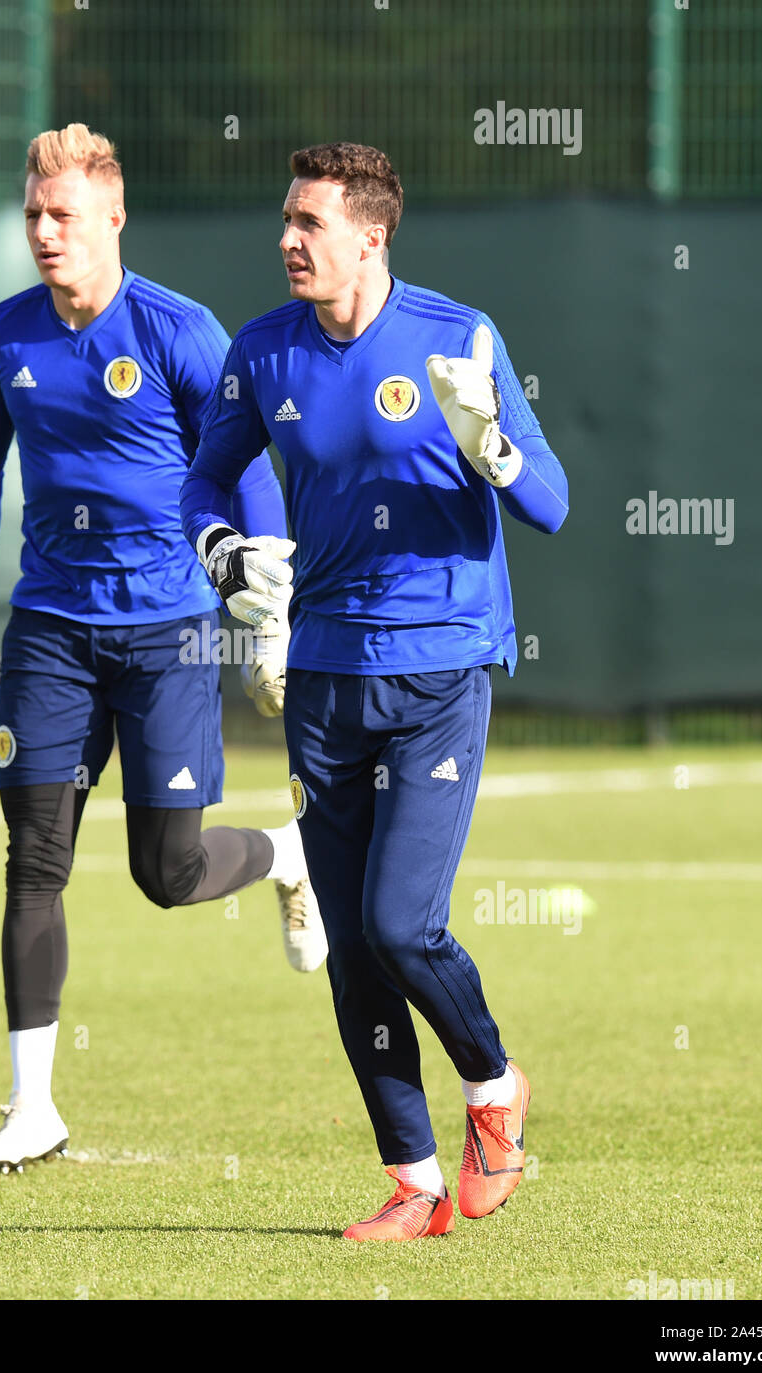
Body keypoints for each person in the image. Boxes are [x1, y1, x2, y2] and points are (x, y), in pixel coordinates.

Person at [180, 141, 568, 1238]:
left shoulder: (460, 336)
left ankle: (493, 1089)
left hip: (440, 668)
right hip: (323, 678)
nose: (291, 240)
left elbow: (552, 502)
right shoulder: (263, 354)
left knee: (404, 924)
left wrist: (491, 446)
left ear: (372, 233)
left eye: (311, 222)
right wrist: (220, 550)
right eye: (287, 221)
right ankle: (415, 1182)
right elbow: (205, 479)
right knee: (352, 947)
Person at [0, 123, 327, 1174]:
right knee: (33, 862)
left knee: (168, 871)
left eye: (61, 213)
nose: (42, 231)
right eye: (31, 212)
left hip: (168, 631)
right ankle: (33, 1108)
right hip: (53, 629)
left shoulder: (181, 331)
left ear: (113, 218)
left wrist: (267, 600)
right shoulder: (4, 336)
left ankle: (286, 855)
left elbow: (245, 461)